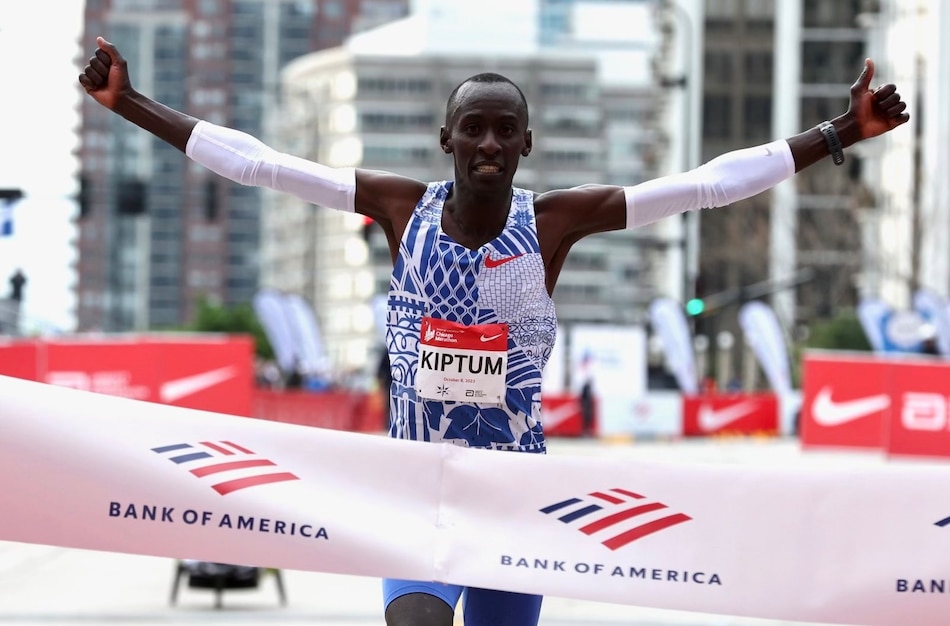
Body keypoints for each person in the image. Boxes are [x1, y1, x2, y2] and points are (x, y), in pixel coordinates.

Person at [79, 36, 909, 626]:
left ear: (525, 144)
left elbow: (706, 186)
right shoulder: (401, 208)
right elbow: (257, 162)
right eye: (471, 126)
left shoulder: (553, 225)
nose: (487, 141)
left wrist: (839, 134)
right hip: (413, 492)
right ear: (446, 138)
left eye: (503, 128)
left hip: (516, 496)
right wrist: (130, 104)